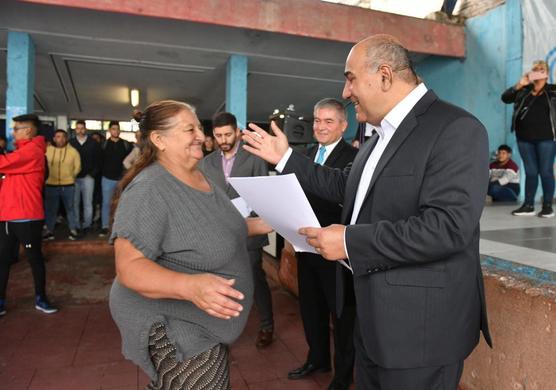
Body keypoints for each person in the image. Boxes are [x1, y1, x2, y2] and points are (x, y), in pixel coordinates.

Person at [242, 34, 492, 390]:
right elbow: (346, 187)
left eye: (351, 78)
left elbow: (448, 228)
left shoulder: (456, 129)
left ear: (385, 76)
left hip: (419, 334)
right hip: (374, 324)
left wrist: (348, 241)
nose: (345, 92)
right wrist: (284, 158)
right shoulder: (378, 137)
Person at [109, 100, 271, 389]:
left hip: (205, 314)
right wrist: (191, 287)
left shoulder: (203, 174)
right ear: (159, 140)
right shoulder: (149, 189)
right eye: (189, 129)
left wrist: (268, 223)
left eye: (199, 126)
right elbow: (129, 268)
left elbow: (216, 227)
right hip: (172, 318)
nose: (201, 135)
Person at [286, 98, 357, 390]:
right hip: (305, 247)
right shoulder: (307, 153)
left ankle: (342, 377)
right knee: (311, 309)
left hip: (334, 252)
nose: (321, 126)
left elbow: (345, 200)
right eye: (317, 120)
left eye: (329, 121)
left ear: (343, 125)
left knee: (341, 317)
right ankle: (317, 358)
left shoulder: (352, 157)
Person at [199, 111, 274, 349]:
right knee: (223, 282)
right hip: (220, 234)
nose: (223, 140)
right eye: (219, 135)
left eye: (228, 134)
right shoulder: (206, 163)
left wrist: (252, 219)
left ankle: (267, 325)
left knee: (255, 278)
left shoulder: (254, 158)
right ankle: (225, 330)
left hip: (250, 232)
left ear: (238, 133)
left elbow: (264, 196)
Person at [0, 114, 58, 316]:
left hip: (27, 216)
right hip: (8, 216)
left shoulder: (32, 151)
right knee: (3, 260)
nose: (12, 132)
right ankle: (1, 301)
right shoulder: (20, 150)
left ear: (29, 130)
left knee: (34, 259)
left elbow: (2, 163)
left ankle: (41, 298)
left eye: (16, 129)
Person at [502, 60, 556, 217]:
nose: (538, 72)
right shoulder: (523, 90)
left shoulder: (552, 91)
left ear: (546, 73)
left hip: (547, 138)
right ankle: (528, 205)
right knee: (531, 172)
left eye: (541, 69)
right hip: (524, 138)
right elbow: (505, 98)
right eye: (535, 69)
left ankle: (547, 206)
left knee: (545, 171)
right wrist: (519, 84)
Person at [43, 129, 81, 241]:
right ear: (54, 138)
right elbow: (42, 166)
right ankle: (49, 231)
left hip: (68, 185)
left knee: (70, 209)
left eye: (63, 136)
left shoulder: (73, 151)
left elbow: (78, 166)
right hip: (50, 185)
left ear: (66, 138)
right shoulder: (47, 151)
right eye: (58, 136)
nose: (61, 139)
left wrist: (70, 176)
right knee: (51, 210)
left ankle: (73, 230)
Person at [99, 121, 132, 236]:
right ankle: (105, 226)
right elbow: (100, 162)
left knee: (122, 204)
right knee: (106, 204)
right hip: (107, 179)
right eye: (113, 129)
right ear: (109, 130)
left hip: (121, 180)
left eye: (117, 129)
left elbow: (132, 159)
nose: (116, 131)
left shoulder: (126, 145)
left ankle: (120, 227)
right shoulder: (103, 145)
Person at [70, 120, 101, 235]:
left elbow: (99, 160)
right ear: (75, 130)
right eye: (78, 128)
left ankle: (87, 225)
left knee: (88, 202)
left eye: (82, 128)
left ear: (85, 129)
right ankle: (77, 225)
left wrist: (92, 174)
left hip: (88, 177)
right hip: (74, 178)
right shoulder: (71, 143)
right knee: (75, 202)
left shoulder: (93, 143)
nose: (80, 130)